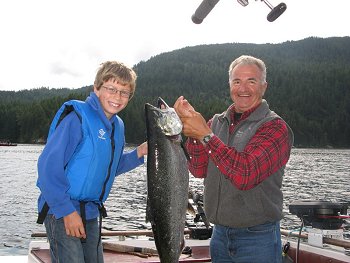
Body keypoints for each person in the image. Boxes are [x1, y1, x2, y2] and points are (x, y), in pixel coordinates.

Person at [174, 55, 294, 263]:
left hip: (258, 239)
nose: (243, 88)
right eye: (237, 81)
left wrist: (204, 134)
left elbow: (245, 174)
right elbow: (199, 169)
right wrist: (193, 131)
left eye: (251, 81)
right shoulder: (216, 123)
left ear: (264, 86)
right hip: (219, 236)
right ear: (230, 85)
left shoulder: (275, 127)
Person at [36, 61, 147, 263]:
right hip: (62, 210)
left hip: (90, 212)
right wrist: (66, 211)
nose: (117, 97)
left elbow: (110, 167)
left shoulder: (117, 126)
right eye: (111, 89)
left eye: (124, 92)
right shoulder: (76, 119)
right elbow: (47, 168)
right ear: (96, 88)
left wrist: (139, 152)